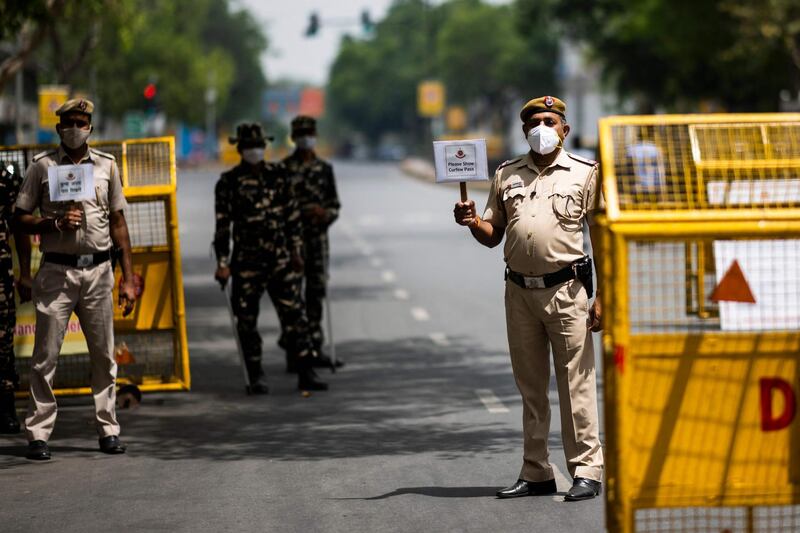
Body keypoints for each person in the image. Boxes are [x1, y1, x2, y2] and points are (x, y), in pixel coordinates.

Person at [453, 96, 604, 501]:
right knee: (531, 387)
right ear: (524, 132)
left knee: (577, 384)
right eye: (534, 122)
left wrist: (604, 295)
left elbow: (602, 239)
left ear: (564, 129)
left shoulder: (586, 174)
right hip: (519, 293)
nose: (542, 127)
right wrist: (472, 221)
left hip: (568, 291)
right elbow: (492, 235)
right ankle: (536, 471)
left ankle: (586, 469)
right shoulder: (506, 175)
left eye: (550, 121)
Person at [14, 98, 137, 460]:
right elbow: (18, 219)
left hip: (99, 271)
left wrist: (128, 278)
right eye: (68, 123)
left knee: (103, 355)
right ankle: (38, 433)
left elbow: (118, 223)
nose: (74, 129)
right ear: (58, 128)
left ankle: (108, 427)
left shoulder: (106, 166)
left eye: (81, 123)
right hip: (56, 271)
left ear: (90, 128)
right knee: (45, 355)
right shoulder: (42, 167)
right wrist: (50, 225)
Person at [214, 123, 327, 393]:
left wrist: (297, 252)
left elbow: (292, 218)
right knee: (247, 321)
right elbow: (222, 227)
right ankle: (255, 375)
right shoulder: (228, 183)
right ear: (240, 149)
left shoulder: (280, 176)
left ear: (265, 147)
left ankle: (305, 371)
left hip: (281, 260)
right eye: (249, 146)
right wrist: (223, 264)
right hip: (247, 263)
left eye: (258, 145)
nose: (255, 150)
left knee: (296, 319)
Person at [282, 115, 343, 371]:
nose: (306, 137)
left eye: (310, 132)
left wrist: (323, 214)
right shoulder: (283, 169)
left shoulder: (324, 168)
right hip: (291, 244)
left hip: (317, 241)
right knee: (292, 298)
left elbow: (334, 205)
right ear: (294, 137)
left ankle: (316, 349)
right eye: (301, 133)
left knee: (316, 294)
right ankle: (294, 350)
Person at [0, 162, 32, 434]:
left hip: (1, 277)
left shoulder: (4, 179)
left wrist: (25, 272)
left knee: (2, 343)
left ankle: (6, 408)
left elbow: (21, 225)